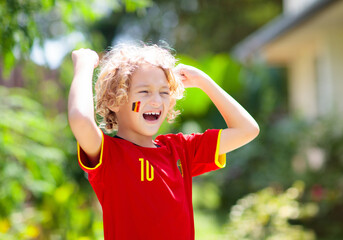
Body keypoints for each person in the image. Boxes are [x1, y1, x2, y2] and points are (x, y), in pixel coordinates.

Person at [68, 43, 259, 240]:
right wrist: (84, 66)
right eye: (144, 92)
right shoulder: (108, 154)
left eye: (164, 92)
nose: (157, 101)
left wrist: (204, 82)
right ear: (114, 101)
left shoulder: (181, 149)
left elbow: (247, 130)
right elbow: (80, 119)